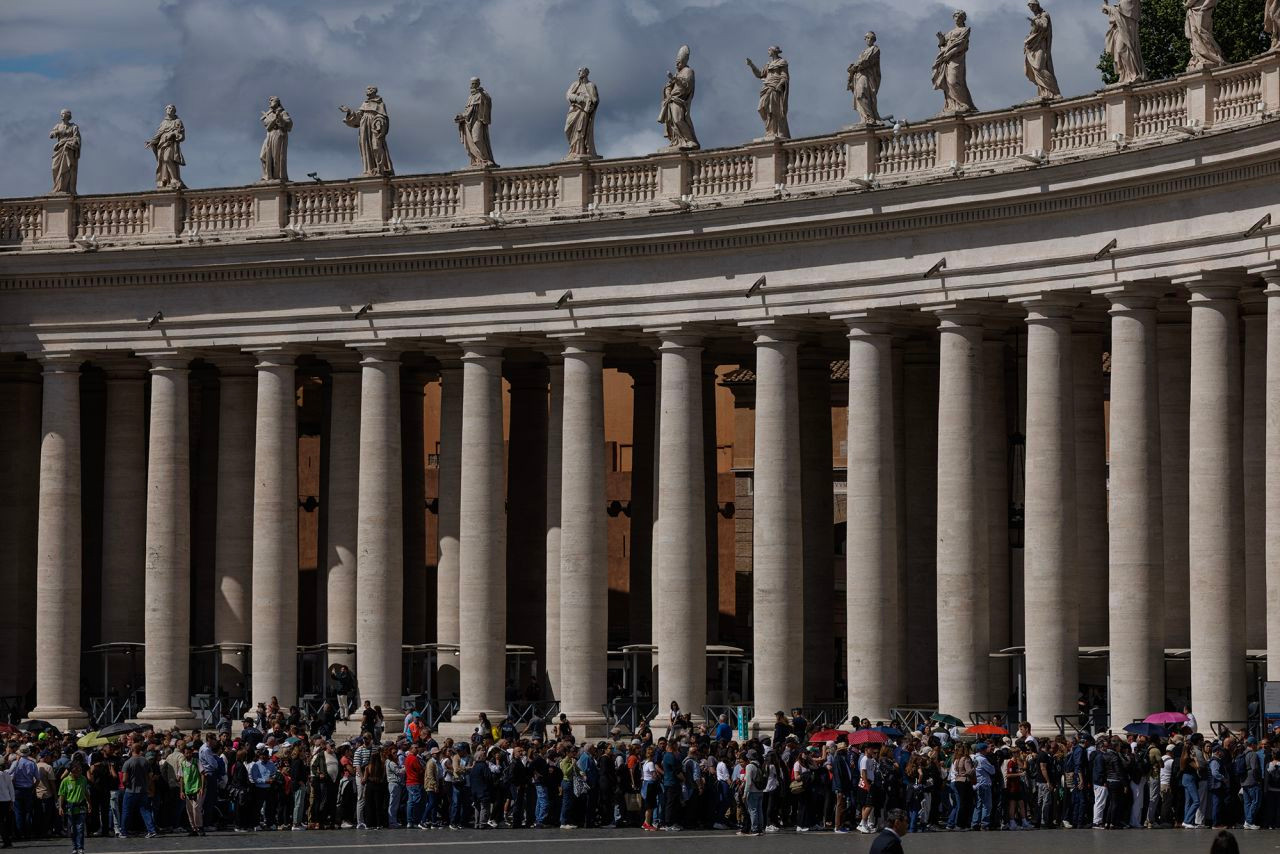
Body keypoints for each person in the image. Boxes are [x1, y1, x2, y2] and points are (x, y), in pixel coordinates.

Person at [57, 761, 89, 854]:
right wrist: (60, 807)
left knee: (80, 828)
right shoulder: (65, 781)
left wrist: (89, 803)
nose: (79, 773)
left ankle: (80, 847)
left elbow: (86, 792)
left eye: (80, 771)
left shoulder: (83, 779)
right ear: (71, 771)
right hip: (70, 808)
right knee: (72, 829)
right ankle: (74, 847)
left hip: (81, 807)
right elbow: (62, 795)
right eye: (77, 771)